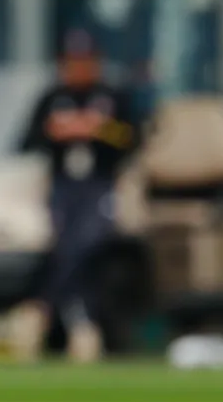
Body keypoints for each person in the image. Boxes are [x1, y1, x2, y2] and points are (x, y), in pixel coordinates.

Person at [20, 31, 140, 348]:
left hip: (100, 183)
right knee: (64, 245)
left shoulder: (111, 96)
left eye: (86, 62)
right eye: (73, 62)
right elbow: (27, 140)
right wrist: (55, 132)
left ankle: (43, 307)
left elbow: (132, 139)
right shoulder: (52, 97)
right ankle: (81, 322)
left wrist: (100, 130)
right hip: (63, 185)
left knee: (87, 242)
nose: (80, 69)